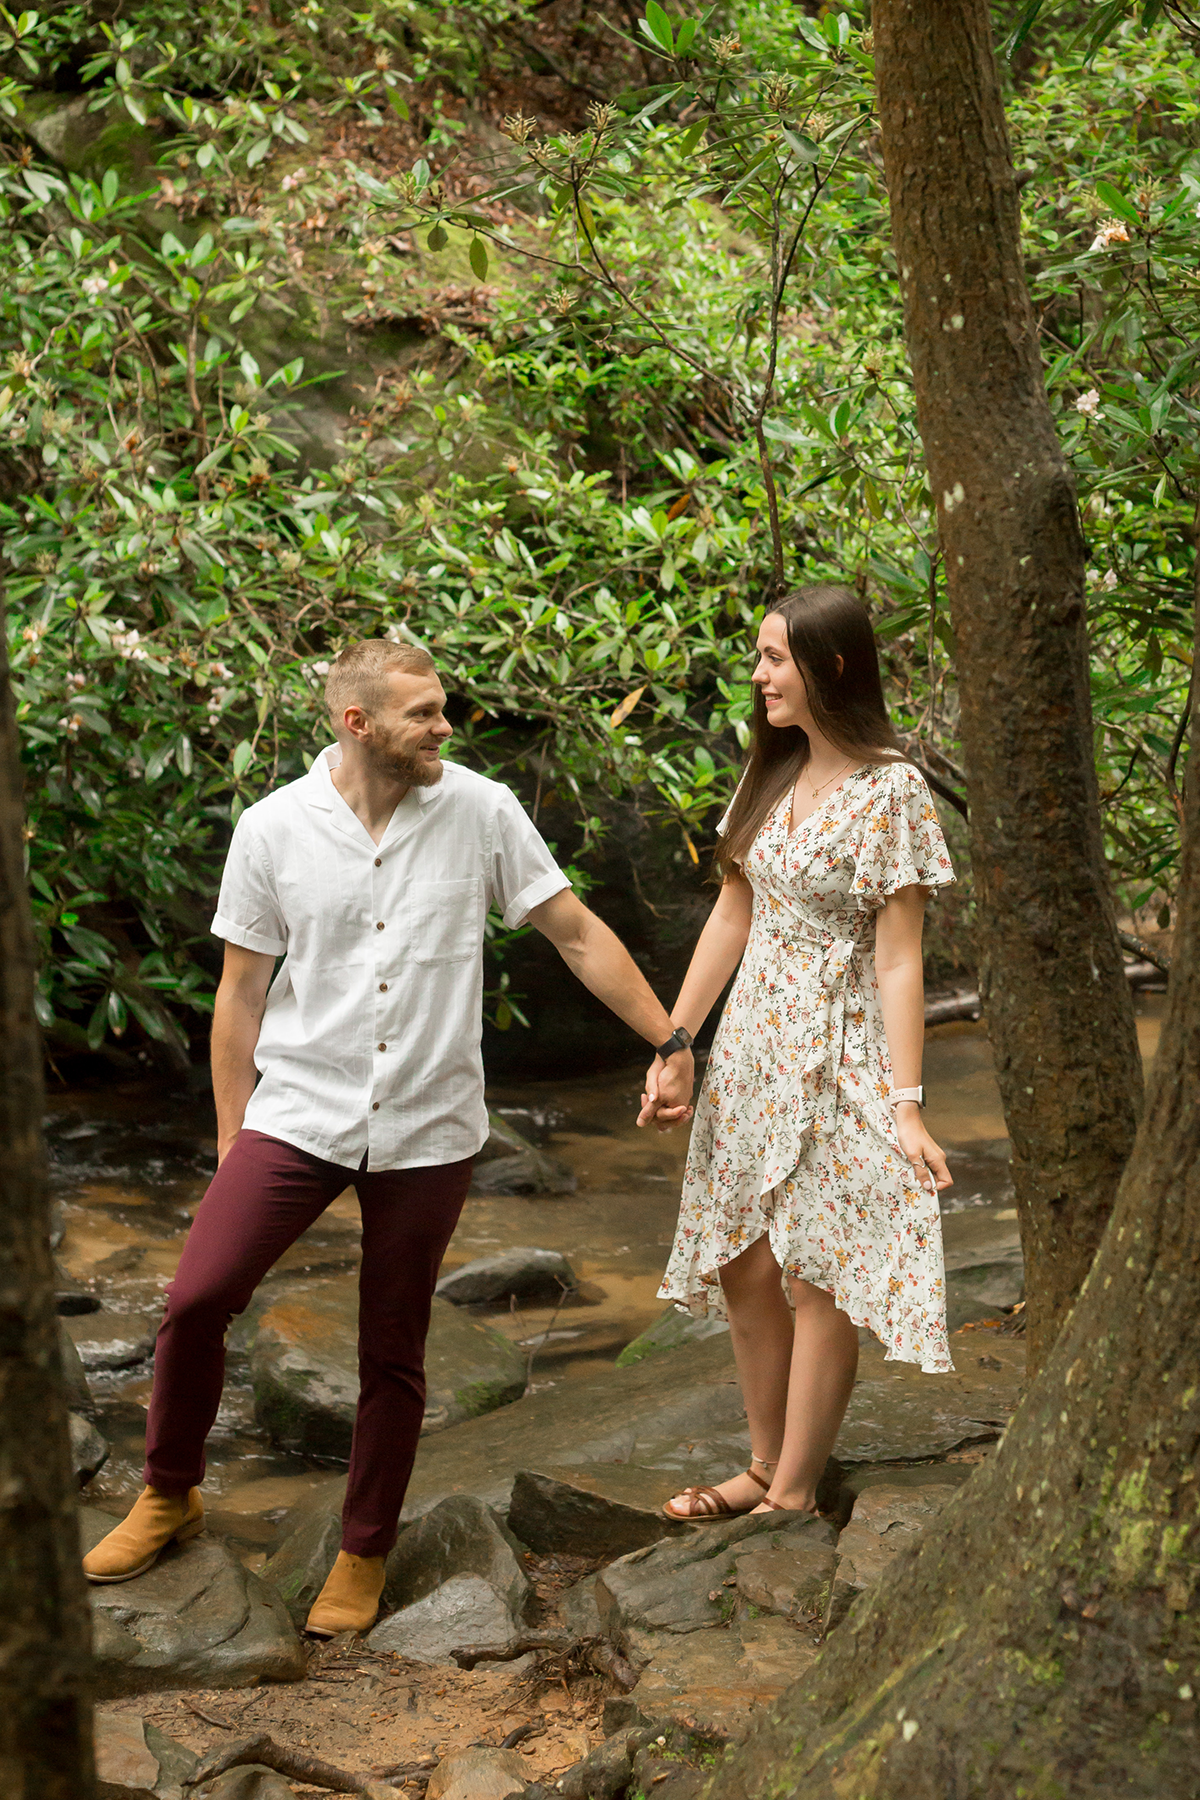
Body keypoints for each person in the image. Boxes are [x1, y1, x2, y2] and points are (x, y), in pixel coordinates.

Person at [82, 637, 695, 1631]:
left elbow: (574, 932)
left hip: (430, 1124)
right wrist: (235, 1138)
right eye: (424, 713)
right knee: (196, 1299)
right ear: (355, 723)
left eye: (444, 709)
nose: (445, 728)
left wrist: (669, 1037)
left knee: (393, 1348)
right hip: (300, 1112)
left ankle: (363, 1550)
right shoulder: (273, 828)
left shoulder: (482, 812)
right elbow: (240, 996)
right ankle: (171, 1491)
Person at [638, 584, 955, 1521]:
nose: (759, 674)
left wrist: (905, 1102)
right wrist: (677, 1039)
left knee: (816, 1271)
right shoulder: (770, 771)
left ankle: (796, 1492)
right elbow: (734, 914)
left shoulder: (892, 788)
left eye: (775, 657)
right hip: (750, 1053)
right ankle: (761, 1463)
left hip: (841, 1053)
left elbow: (901, 961)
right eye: (761, 656)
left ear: (834, 666)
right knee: (742, 1261)